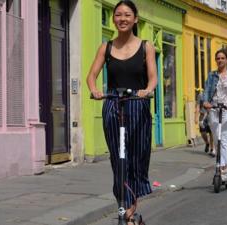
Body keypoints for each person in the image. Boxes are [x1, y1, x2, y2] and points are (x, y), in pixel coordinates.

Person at [86, 1, 157, 224]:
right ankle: (123, 206)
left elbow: (153, 76)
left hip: (137, 103)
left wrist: (148, 90)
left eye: (127, 15)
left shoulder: (146, 46)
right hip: (113, 104)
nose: (122, 19)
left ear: (135, 19)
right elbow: (91, 76)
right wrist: (95, 90)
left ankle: (131, 210)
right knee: (119, 160)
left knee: (136, 158)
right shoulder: (105, 47)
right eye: (118, 15)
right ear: (114, 19)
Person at [203, 48, 227, 179]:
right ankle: (221, 165)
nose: (220, 60)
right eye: (218, 58)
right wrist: (205, 102)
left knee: (224, 138)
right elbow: (207, 90)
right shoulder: (212, 75)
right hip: (214, 109)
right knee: (217, 138)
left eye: (222, 58)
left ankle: (222, 167)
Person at [195, 91, 215, 157]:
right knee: (203, 132)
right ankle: (207, 143)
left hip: (212, 116)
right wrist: (196, 117)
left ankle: (212, 149)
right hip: (202, 116)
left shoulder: (214, 94)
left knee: (212, 133)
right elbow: (198, 106)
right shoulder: (201, 95)